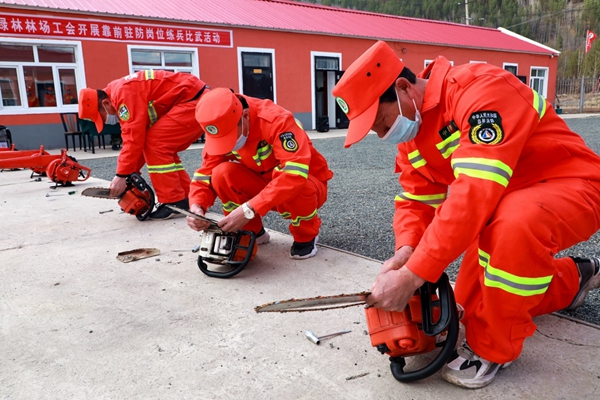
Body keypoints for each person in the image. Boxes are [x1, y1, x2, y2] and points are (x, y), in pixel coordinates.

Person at [332, 41, 600, 389]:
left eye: (381, 121)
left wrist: (413, 276)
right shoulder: (413, 136)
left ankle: (494, 349)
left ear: (403, 88)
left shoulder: (481, 89)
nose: (382, 134)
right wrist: (406, 252)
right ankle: (576, 277)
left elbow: (474, 191)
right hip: (500, 204)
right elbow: (416, 201)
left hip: (572, 184)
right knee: (472, 308)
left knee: (512, 228)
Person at [186, 87, 334, 259]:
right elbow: (205, 173)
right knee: (221, 174)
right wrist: (197, 206)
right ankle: (251, 233)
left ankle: (306, 235)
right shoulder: (223, 124)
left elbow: (294, 173)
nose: (227, 145)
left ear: (245, 116)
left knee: (297, 182)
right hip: (265, 185)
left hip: (308, 185)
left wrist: (249, 209)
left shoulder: (277, 120)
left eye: (230, 137)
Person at [79, 70, 209, 219]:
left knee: (156, 144)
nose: (105, 121)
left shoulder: (123, 95)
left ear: (106, 103)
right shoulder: (118, 92)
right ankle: (185, 197)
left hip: (193, 100)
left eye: (101, 117)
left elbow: (133, 139)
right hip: (192, 99)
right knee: (161, 149)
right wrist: (131, 173)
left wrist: (122, 175)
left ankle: (173, 201)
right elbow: (138, 141)